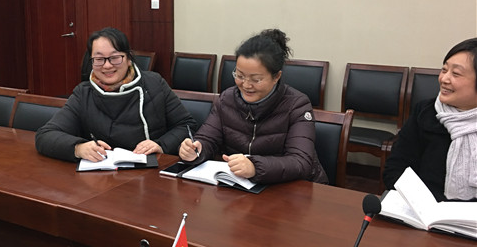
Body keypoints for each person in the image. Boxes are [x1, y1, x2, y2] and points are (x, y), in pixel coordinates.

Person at [178, 29, 328, 185]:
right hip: (245, 187)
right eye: (240, 76)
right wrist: (196, 150)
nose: (246, 85)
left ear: (276, 77)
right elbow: (208, 138)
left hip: (293, 189)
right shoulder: (226, 99)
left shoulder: (297, 105)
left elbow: (300, 162)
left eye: (256, 80)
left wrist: (255, 167)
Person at [35, 27, 196, 162]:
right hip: (102, 177)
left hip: (152, 172)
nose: (107, 66)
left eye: (115, 58)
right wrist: (79, 148)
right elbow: (45, 135)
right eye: (99, 59)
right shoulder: (83, 93)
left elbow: (187, 125)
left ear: (128, 58)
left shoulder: (154, 84)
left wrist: (161, 145)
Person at [383, 38, 477, 201]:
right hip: (421, 208)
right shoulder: (425, 112)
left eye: (456, 74)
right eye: (444, 70)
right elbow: (395, 169)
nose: (444, 79)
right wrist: (426, 205)